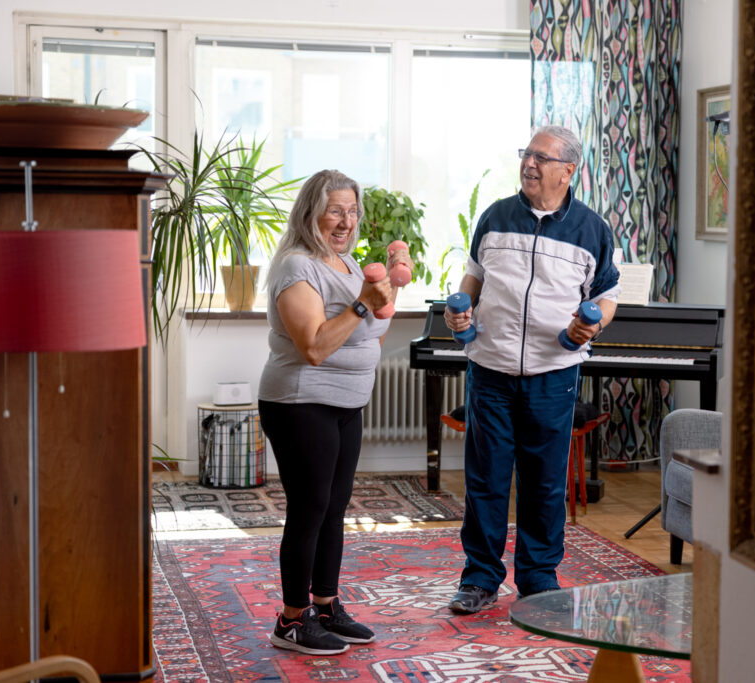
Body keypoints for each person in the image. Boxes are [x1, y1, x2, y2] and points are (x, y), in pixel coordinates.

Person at [444, 125, 620, 613]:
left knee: (545, 481)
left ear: (568, 170)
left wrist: (593, 326)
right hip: (491, 369)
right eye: (526, 154)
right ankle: (479, 578)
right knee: (487, 478)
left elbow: (605, 297)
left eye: (541, 157)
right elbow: (474, 277)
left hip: (553, 372)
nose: (529, 163)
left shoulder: (592, 230)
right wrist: (459, 312)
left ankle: (539, 578)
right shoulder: (496, 216)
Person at [258, 169, 412, 654]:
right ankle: (290, 620)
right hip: (302, 401)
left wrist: (386, 296)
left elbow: (369, 335)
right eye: (335, 211)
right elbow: (314, 347)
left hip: (347, 404)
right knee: (310, 508)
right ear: (311, 213)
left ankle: (324, 606)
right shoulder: (296, 267)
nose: (345, 221)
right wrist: (365, 305)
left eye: (351, 211)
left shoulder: (344, 263)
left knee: (335, 506)